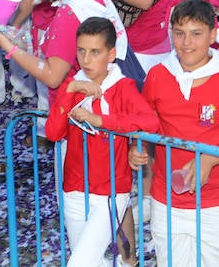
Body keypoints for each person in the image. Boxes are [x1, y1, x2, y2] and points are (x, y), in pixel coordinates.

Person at [128, 0, 219, 267]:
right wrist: (136, 147)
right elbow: (145, 125)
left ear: (212, 35)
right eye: (179, 33)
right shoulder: (158, 75)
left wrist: (209, 160)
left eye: (196, 34)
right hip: (166, 200)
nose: (187, 43)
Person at [44, 16, 159, 267]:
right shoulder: (72, 84)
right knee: (89, 262)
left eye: (95, 52)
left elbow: (150, 122)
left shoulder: (123, 87)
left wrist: (101, 120)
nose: (86, 60)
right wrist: (71, 90)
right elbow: (53, 133)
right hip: (73, 190)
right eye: (81, 51)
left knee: (80, 263)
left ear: (111, 54)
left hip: (111, 192)